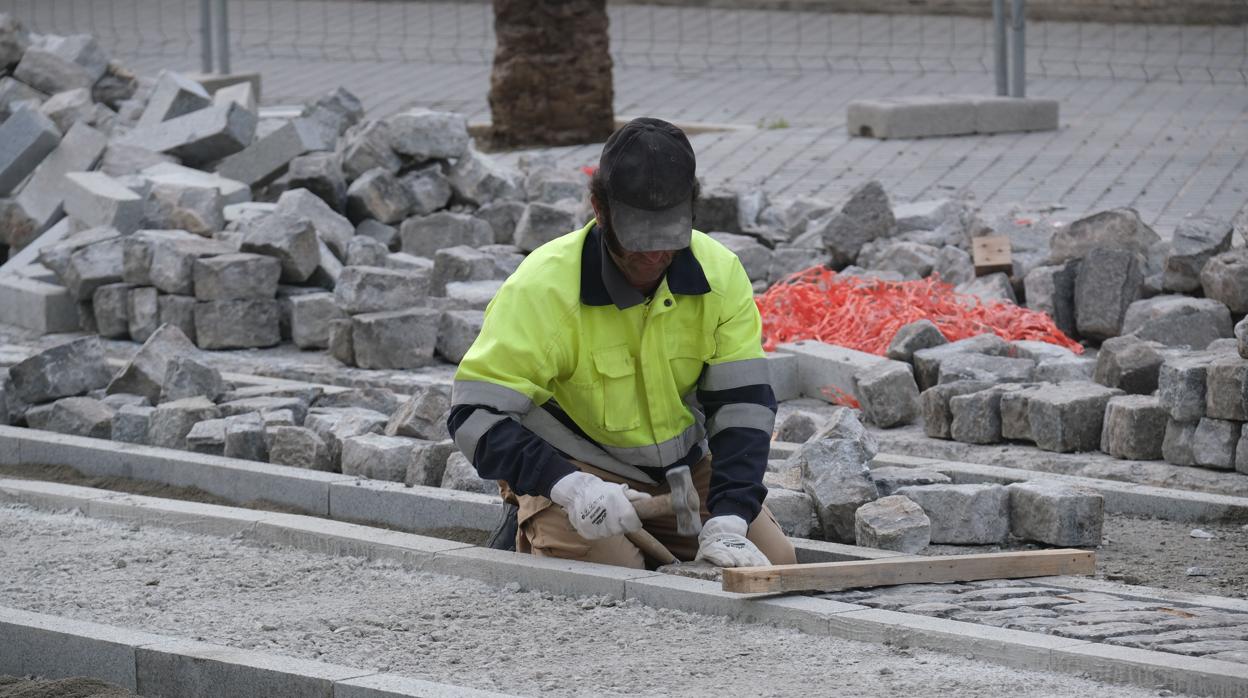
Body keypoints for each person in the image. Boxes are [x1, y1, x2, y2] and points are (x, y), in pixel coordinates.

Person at [447, 117, 796, 570]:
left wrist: (730, 514)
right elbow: (472, 414)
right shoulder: (544, 288)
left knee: (776, 562)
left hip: (682, 475)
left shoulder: (721, 275)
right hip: (573, 469)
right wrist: (567, 486)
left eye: (668, 236)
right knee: (616, 574)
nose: (653, 256)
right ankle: (535, 520)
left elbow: (744, 406)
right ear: (599, 208)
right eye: (638, 239)